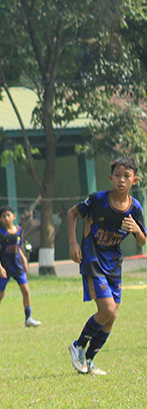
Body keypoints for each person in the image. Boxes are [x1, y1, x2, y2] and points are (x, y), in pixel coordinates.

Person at [66, 157, 145, 375]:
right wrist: (73, 244)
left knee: (112, 316)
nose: (121, 180)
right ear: (111, 178)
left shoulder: (135, 208)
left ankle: (89, 360)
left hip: (113, 262)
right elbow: (72, 213)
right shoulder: (98, 200)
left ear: (135, 180)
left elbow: (141, 240)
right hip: (92, 258)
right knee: (107, 309)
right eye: (117, 175)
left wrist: (137, 230)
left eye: (126, 176)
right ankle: (78, 345)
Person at [0, 205, 40, 331]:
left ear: (14, 216)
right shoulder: (0, 234)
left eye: (8, 215)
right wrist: (0, 268)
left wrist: (25, 260)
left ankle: (28, 318)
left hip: (17, 266)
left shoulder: (19, 230)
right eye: (3, 216)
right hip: (5, 267)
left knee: (26, 291)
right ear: (0, 219)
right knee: (0, 295)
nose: (6, 218)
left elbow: (20, 246)